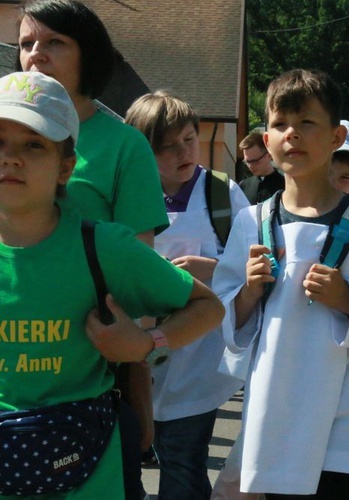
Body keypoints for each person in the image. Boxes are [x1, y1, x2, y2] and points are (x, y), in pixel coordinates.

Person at [0, 71, 224, 499]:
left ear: (66, 166)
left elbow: (207, 307)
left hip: (87, 474)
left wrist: (145, 343)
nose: (11, 158)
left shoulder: (102, 245)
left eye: (34, 144)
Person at [211, 69, 349, 497]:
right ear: (266, 140)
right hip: (274, 411)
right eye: (279, 125)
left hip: (342, 415)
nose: (292, 135)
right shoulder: (251, 222)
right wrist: (249, 292)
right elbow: (223, 314)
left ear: (335, 136)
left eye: (307, 122)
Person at [18, 1, 170, 497]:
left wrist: (139, 377)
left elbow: (139, 279)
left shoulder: (124, 145)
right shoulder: (6, 134)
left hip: (95, 378)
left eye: (54, 42)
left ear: (90, 56)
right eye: (26, 44)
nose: (36, 54)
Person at [124, 91, 250, 499]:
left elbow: (256, 268)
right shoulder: (124, 199)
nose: (184, 152)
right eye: (167, 146)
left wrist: (210, 271)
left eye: (189, 139)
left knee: (181, 462)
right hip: (133, 361)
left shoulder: (221, 195)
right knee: (134, 466)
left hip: (199, 367)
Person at [238, 131, 285, 204]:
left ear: (269, 155)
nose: (250, 166)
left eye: (254, 161)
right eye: (247, 162)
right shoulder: (243, 186)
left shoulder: (285, 186)